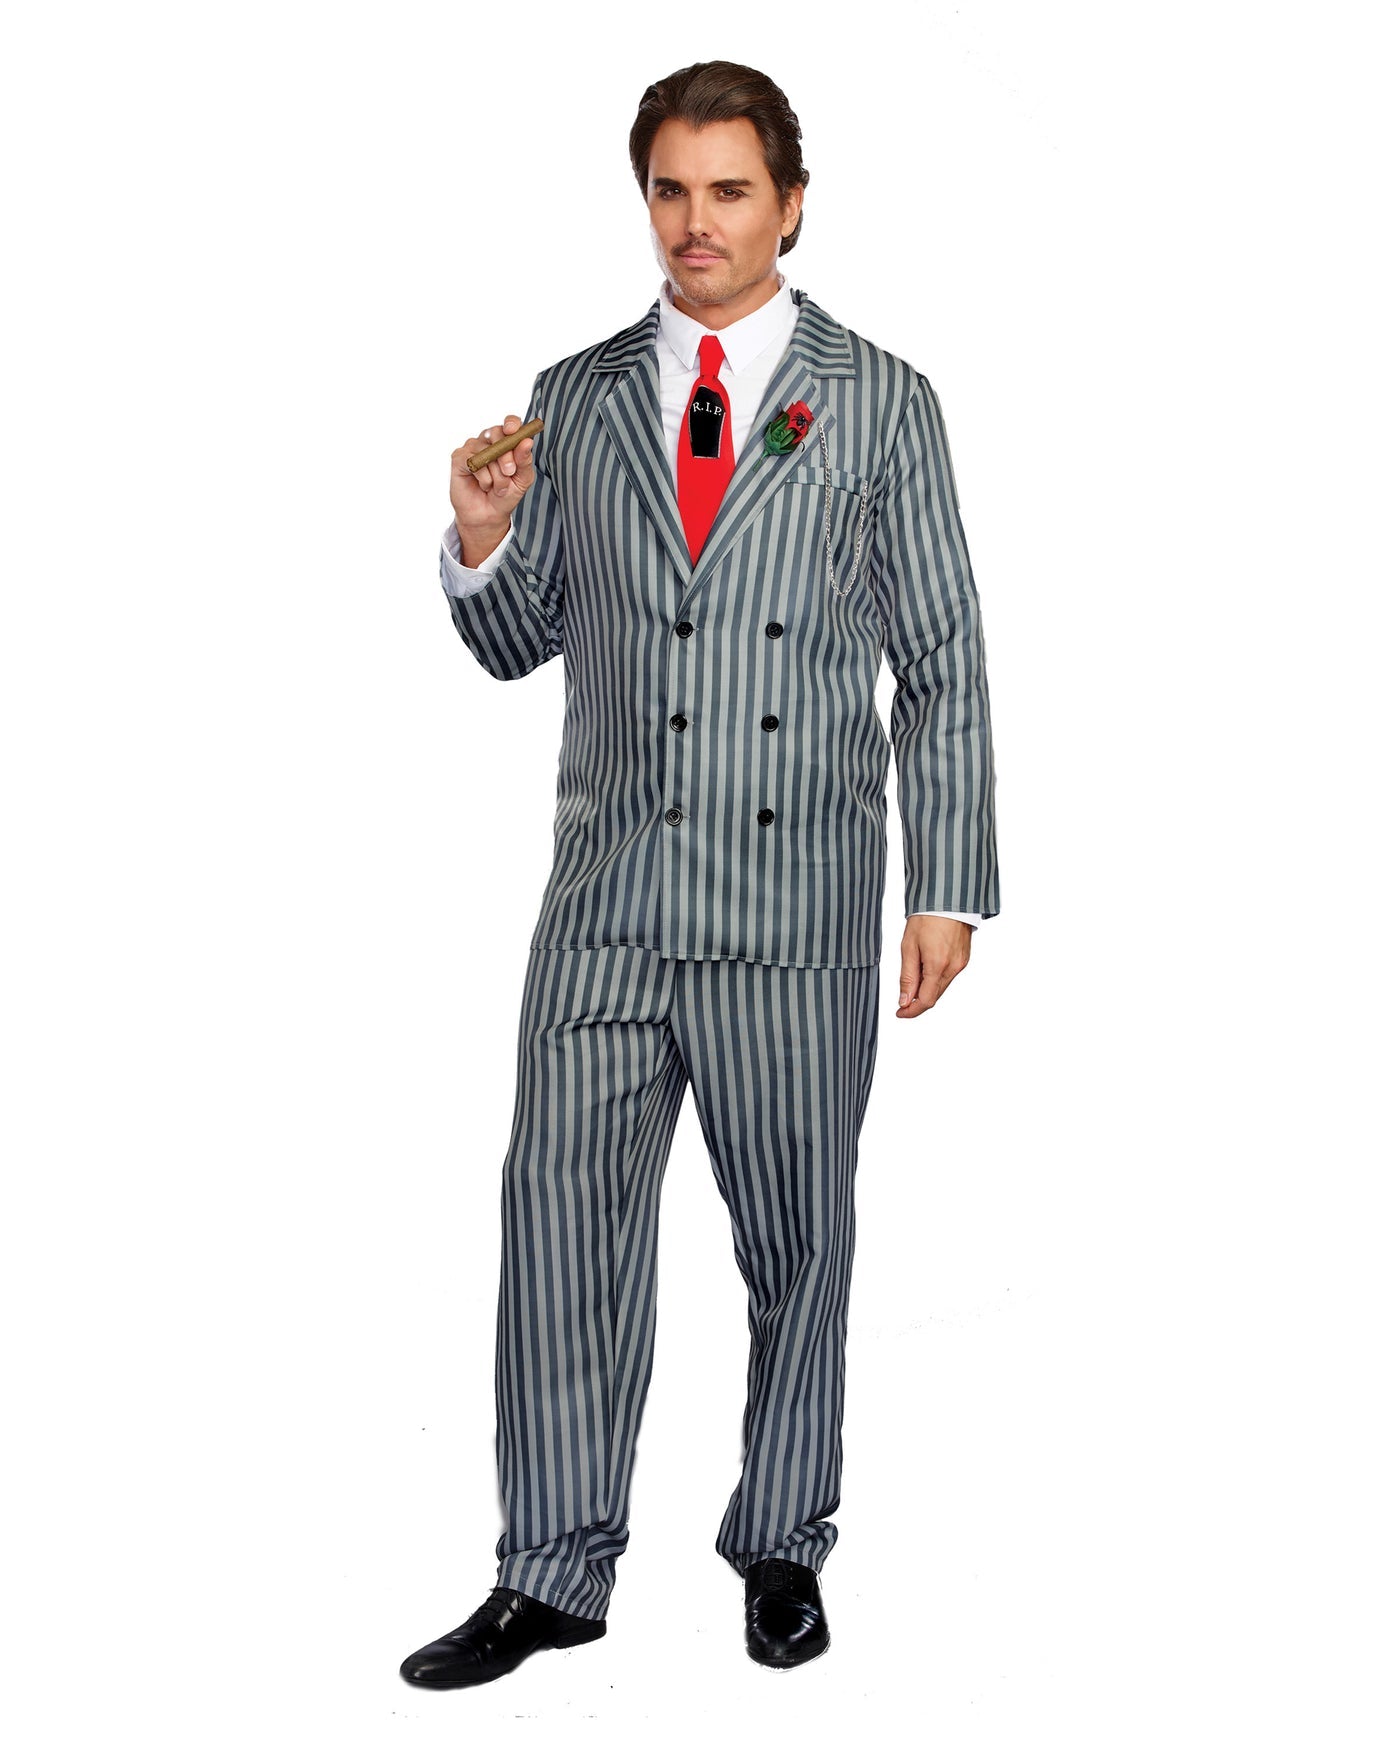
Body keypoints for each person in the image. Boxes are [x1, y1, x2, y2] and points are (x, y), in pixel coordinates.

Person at [400, 58, 1000, 1689]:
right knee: (558, 1226)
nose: (695, 222)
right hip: (606, 902)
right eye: (670, 189)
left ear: (789, 204)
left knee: (799, 1240)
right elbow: (519, 643)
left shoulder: (883, 400)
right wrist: (483, 532)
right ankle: (550, 1569)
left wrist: (946, 882)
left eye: (729, 190)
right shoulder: (576, 396)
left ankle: (782, 1541)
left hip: (796, 900)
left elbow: (942, 656)